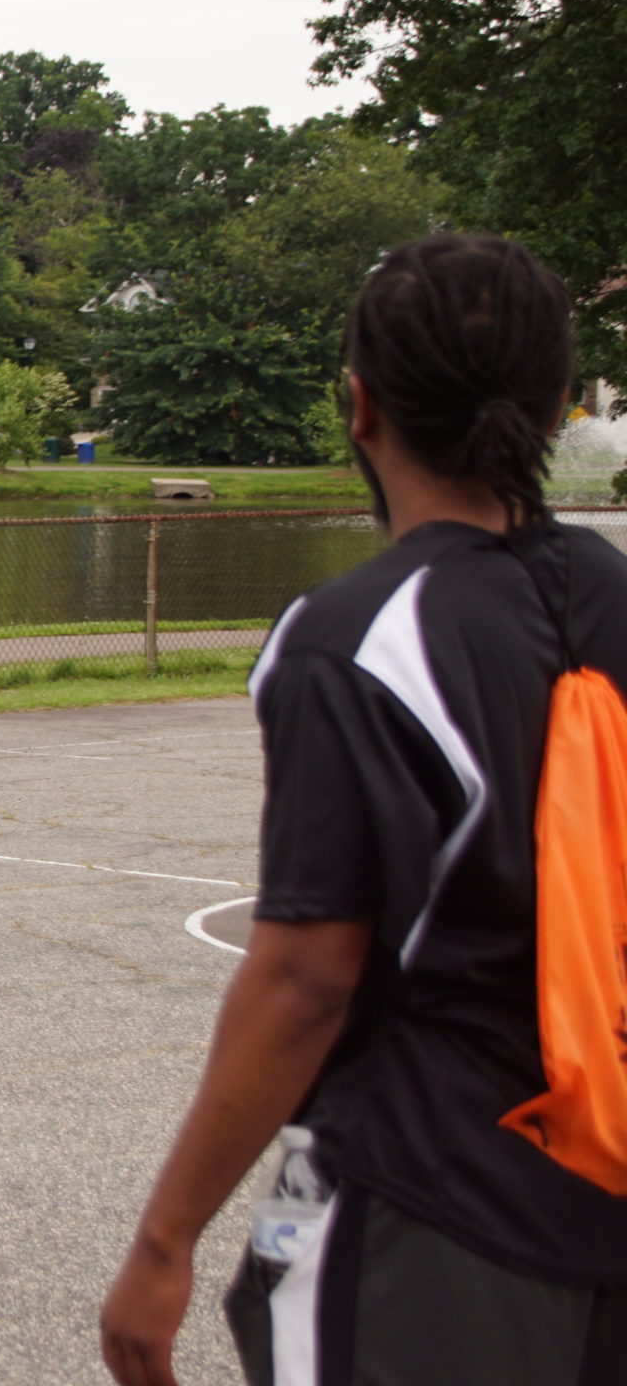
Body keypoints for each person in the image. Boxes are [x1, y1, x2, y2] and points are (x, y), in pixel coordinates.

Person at [100, 234, 627, 1385]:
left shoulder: (361, 637)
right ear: (554, 407)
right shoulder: (608, 591)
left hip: (433, 1199)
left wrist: (164, 1240)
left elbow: (305, 980)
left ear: (361, 404)